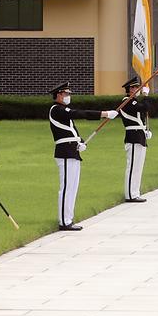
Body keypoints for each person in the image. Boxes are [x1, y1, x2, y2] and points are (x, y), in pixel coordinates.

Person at [48, 82, 116, 230]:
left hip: (72, 151)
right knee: (66, 187)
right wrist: (104, 113)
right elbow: (80, 113)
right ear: (59, 95)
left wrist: (80, 141)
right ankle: (63, 221)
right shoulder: (57, 110)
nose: (68, 97)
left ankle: (68, 219)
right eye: (66, 94)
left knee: (73, 187)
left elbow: (71, 130)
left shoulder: (63, 111)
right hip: (65, 152)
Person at [119, 77, 151, 202]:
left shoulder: (134, 101)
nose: (138, 89)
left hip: (139, 135)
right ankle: (130, 194)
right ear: (130, 89)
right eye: (136, 87)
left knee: (138, 166)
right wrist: (146, 95)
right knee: (132, 166)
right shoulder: (127, 101)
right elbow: (144, 107)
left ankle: (135, 192)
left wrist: (145, 130)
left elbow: (142, 111)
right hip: (133, 137)